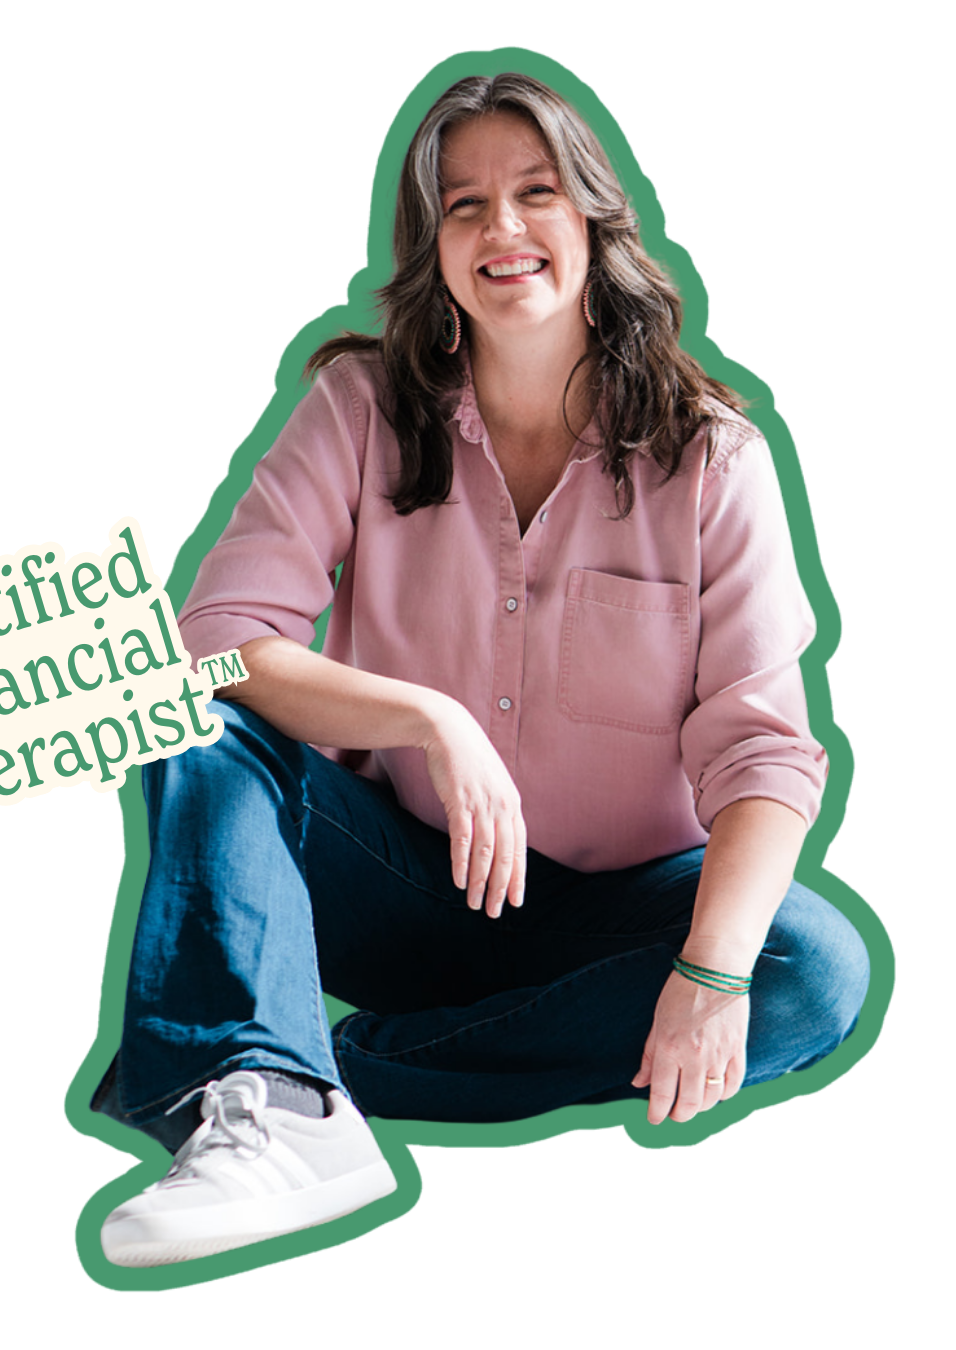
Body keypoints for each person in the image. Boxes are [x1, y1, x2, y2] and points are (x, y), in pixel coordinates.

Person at [91, 71, 869, 1267]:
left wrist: (708, 972)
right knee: (200, 727)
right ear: (435, 250)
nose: (500, 229)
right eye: (463, 206)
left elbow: (762, 747)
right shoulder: (358, 406)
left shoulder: (712, 458)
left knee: (811, 967)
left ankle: (312, 1085)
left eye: (534, 193)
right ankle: (277, 1095)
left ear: (596, 225)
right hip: (397, 884)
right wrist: (427, 720)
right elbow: (215, 644)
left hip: (617, 916)